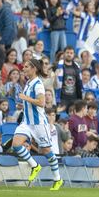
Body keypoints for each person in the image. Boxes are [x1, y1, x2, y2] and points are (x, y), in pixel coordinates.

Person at [11, 59, 63, 190]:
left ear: (34, 69)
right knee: (16, 144)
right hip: (26, 122)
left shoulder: (38, 84)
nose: (23, 68)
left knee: (46, 151)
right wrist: (23, 104)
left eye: (27, 66)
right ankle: (35, 166)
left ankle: (58, 179)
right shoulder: (28, 82)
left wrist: (26, 99)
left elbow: (41, 103)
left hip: (39, 123)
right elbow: (30, 102)